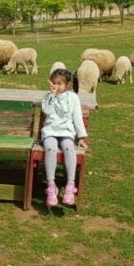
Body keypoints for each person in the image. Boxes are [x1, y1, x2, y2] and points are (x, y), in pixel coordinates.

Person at [41, 68, 88, 207]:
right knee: (50, 148)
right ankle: (51, 185)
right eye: (54, 82)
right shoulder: (47, 96)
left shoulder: (72, 97)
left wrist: (81, 137)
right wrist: (51, 96)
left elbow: (77, 117)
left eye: (60, 83)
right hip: (50, 131)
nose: (56, 85)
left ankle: (70, 185)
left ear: (67, 85)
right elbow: (47, 112)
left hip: (66, 132)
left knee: (69, 148)